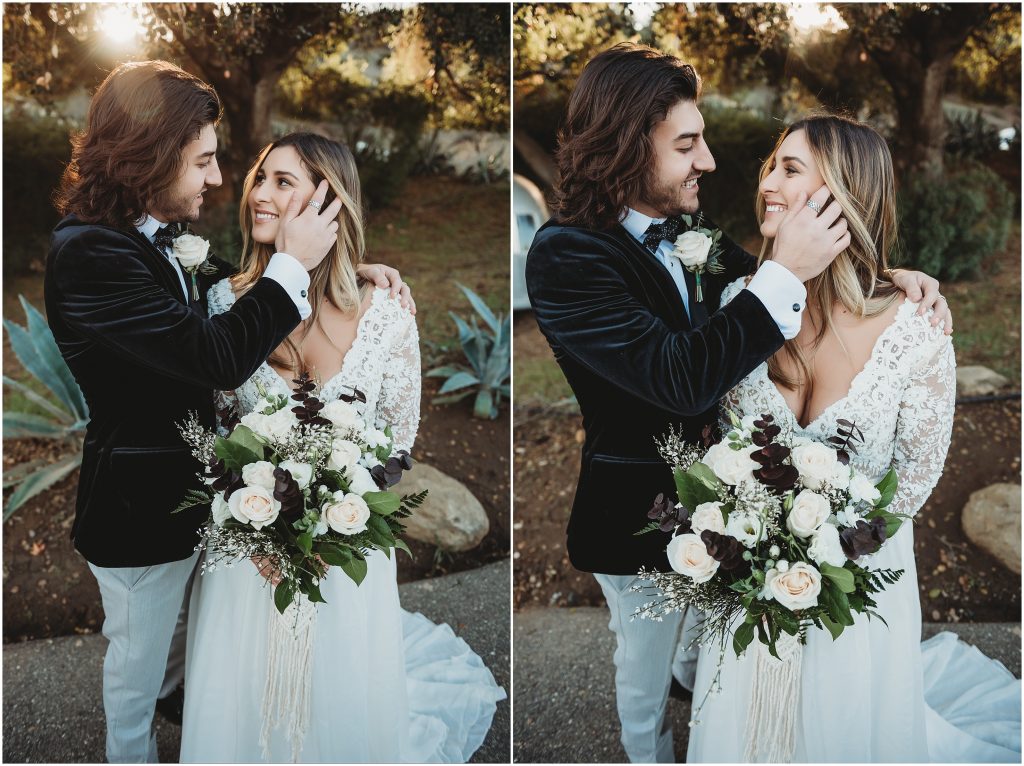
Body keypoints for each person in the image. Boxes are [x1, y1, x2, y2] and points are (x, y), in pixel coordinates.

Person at [524, 43, 951, 764]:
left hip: (739, 519)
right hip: (639, 513)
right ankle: (650, 753)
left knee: (717, 661)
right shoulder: (566, 256)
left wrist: (887, 276)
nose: (710, 161)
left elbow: (783, 286)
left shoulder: (691, 234)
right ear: (629, 146)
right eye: (686, 144)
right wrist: (785, 269)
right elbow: (682, 375)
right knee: (644, 672)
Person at [44, 60, 411, 763]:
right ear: (152, 156)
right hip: (142, 511)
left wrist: (339, 267)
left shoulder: (144, 239)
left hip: (209, 513)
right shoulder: (89, 253)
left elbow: (215, 290)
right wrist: (293, 265)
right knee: (138, 677)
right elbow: (215, 355)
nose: (218, 179)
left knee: (201, 663)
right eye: (203, 161)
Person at [686, 114, 1020, 763]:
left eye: (790, 169)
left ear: (843, 193)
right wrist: (757, 550)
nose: (767, 183)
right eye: (771, 166)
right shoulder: (736, 303)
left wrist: (821, 558)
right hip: (747, 582)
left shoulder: (916, 325)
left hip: (856, 592)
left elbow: (914, 479)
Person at [179, 132, 505, 763]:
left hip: (346, 554)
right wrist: (257, 536)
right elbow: (215, 436)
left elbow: (397, 447)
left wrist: (334, 529)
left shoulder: (386, 312)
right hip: (248, 561)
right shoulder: (222, 303)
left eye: (283, 182)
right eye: (260, 178)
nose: (259, 194)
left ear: (328, 204)